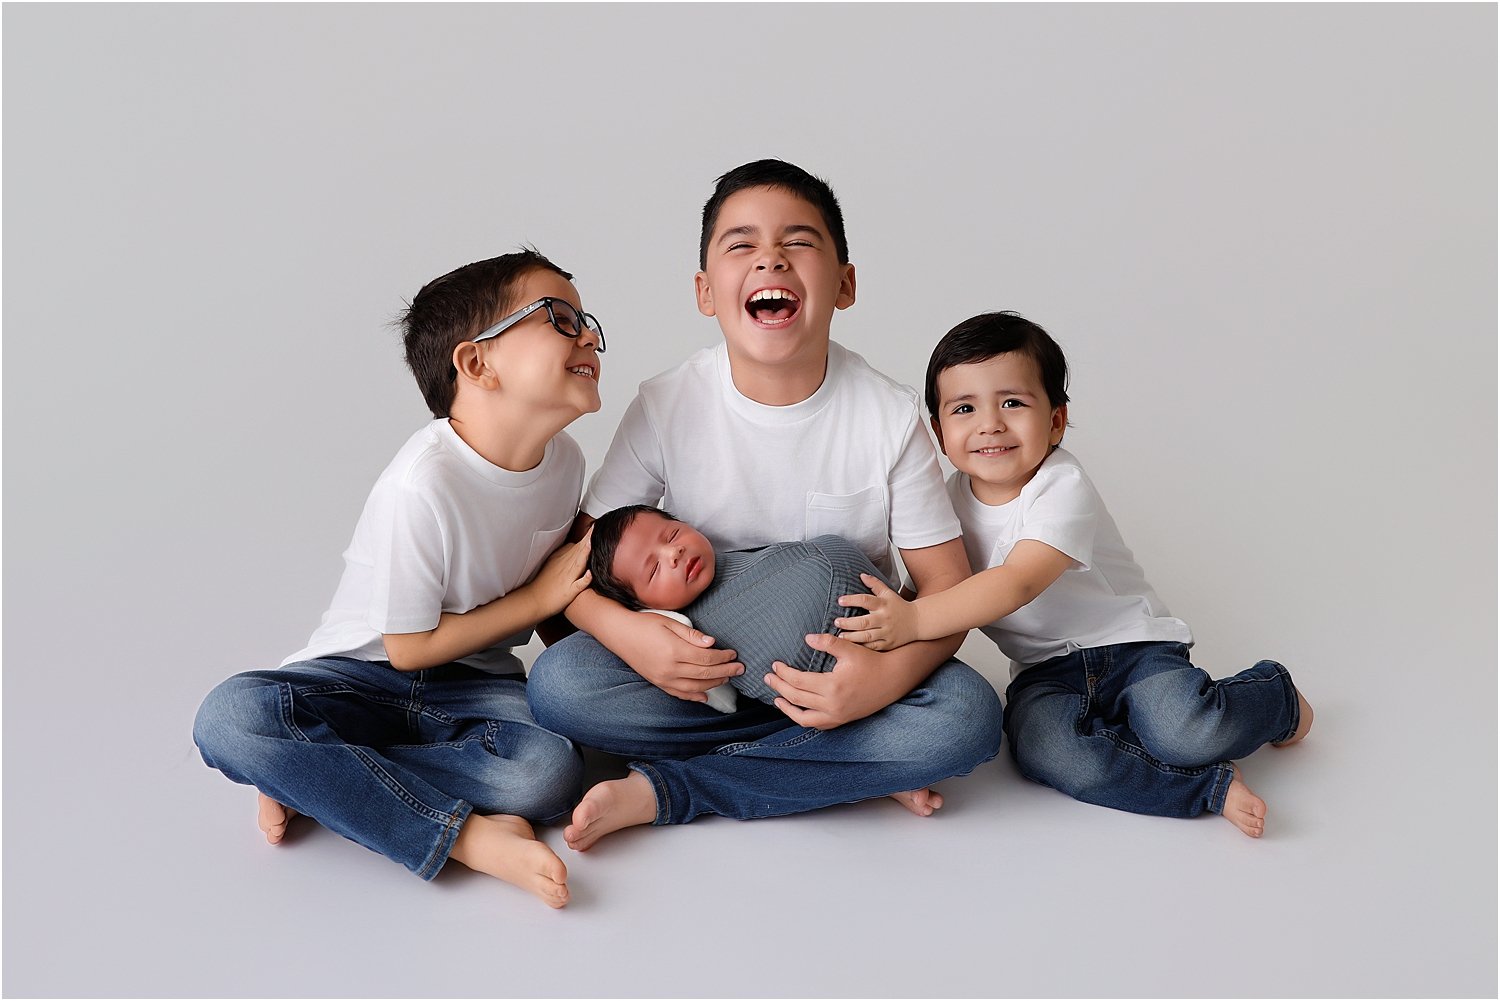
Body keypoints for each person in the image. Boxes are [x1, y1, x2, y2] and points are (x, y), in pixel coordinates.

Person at [526, 159, 1003, 852]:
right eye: (741, 244)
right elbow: (576, 561)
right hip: (702, 675)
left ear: (844, 284)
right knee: (560, 683)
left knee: (965, 716)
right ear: (704, 291)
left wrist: (880, 684)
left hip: (841, 668)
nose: (770, 258)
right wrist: (633, 637)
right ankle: (841, 762)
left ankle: (672, 788)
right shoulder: (668, 404)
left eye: (799, 241)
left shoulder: (889, 416)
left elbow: (948, 588)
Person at [192, 250, 605, 907]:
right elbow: (407, 646)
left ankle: (317, 775)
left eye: (586, 320)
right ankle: (462, 834)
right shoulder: (423, 481)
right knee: (231, 717)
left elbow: (559, 596)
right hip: (361, 672)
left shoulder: (566, 464)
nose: (587, 334)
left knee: (549, 771)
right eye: (559, 317)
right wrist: (533, 599)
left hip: (475, 686)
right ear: (476, 363)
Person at [835, 311, 1314, 837]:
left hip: (1133, 649)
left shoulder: (1061, 485)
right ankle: (1206, 789)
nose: (990, 423)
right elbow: (937, 586)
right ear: (939, 433)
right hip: (1045, 671)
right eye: (965, 408)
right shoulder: (945, 502)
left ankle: (1275, 698)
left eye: (1012, 403)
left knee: (1187, 732)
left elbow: (1016, 582)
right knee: (1044, 752)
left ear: (1057, 420)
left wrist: (914, 620)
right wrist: (892, 620)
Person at [586, 504, 896, 712]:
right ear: (642, 606)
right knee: (568, 682)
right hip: (813, 694)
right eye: (653, 570)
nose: (674, 553)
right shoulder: (676, 633)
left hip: (890, 635)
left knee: (939, 720)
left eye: (672, 535)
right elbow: (722, 699)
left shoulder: (742, 559)